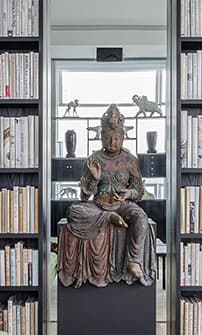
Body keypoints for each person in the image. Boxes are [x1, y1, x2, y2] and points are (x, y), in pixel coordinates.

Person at [59, 104, 155, 286]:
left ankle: (133, 260)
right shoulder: (94, 160)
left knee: (141, 217)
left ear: (123, 138)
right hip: (98, 206)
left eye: (117, 139)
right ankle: (108, 217)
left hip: (122, 206)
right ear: (101, 137)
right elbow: (84, 197)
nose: (112, 143)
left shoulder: (130, 161)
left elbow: (139, 190)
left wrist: (129, 193)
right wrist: (94, 179)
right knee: (73, 210)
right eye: (108, 138)